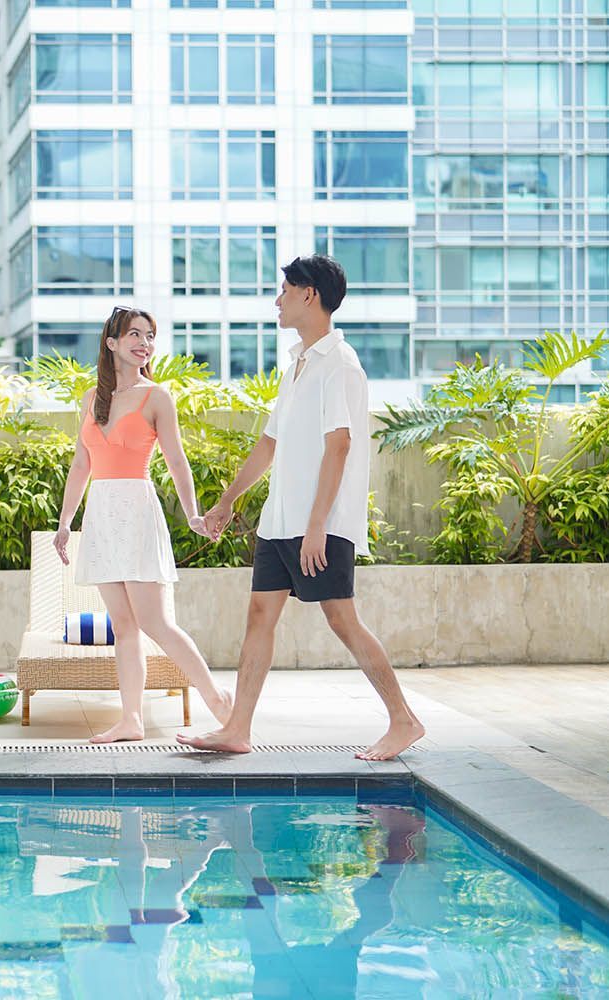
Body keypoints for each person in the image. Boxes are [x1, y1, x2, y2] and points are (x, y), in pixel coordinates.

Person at [178, 254, 425, 760]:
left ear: (309, 294)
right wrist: (227, 500)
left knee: (341, 619)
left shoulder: (341, 365)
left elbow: (340, 445)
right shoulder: (298, 364)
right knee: (259, 614)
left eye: (285, 290)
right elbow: (270, 443)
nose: (277, 300)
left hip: (321, 522)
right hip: (280, 519)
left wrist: (317, 526)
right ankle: (237, 727)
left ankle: (403, 720)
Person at [54, 306, 233, 742]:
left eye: (150, 336)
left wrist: (192, 513)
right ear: (112, 343)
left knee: (155, 622)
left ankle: (218, 700)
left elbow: (176, 460)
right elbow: (81, 464)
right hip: (101, 514)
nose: (144, 343)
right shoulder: (91, 398)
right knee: (124, 625)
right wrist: (64, 523)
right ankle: (130, 719)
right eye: (134, 334)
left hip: (136, 510)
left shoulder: (157, 397)